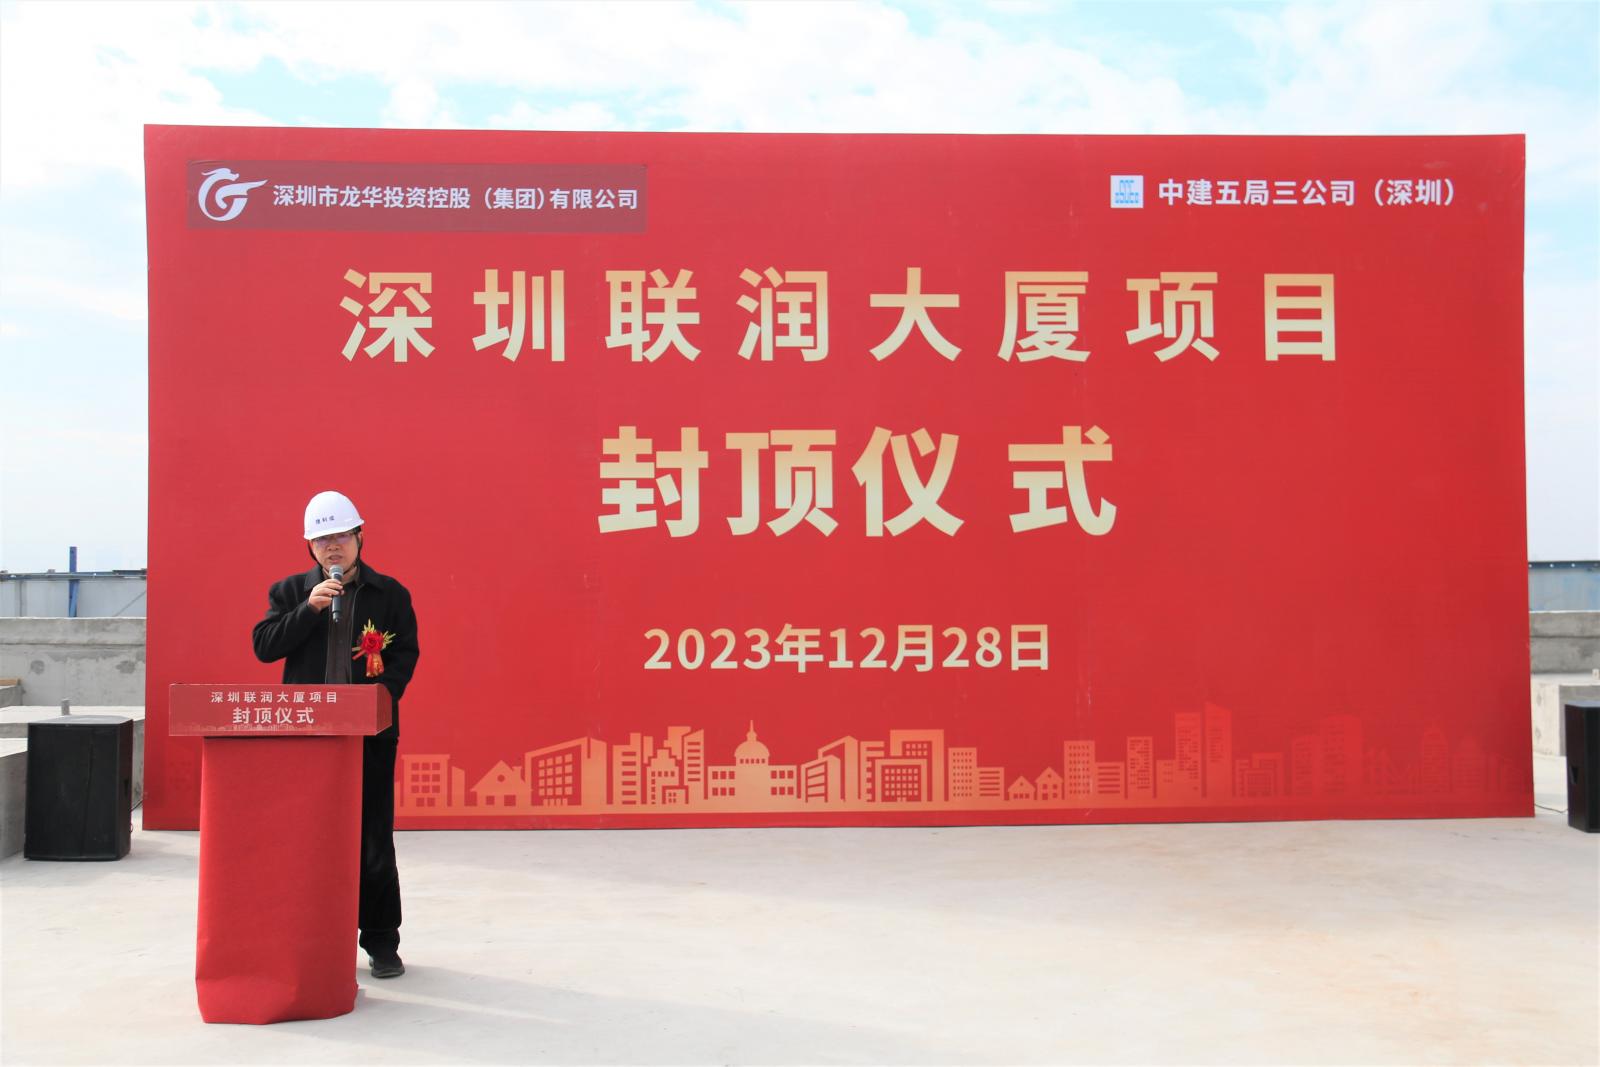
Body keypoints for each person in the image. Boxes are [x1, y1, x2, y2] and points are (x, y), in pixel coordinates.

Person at [251, 490, 420, 979]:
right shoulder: (289, 592)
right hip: (306, 741)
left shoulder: (390, 594)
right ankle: (314, 939)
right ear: (309, 546)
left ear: (360, 537)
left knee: (373, 840)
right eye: (322, 539)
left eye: (342, 536)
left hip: (370, 738)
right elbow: (264, 646)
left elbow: (405, 656)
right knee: (309, 840)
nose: (333, 546)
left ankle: (382, 942)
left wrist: (376, 702)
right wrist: (308, 609)